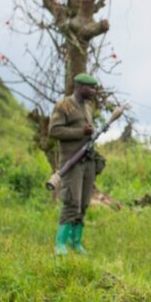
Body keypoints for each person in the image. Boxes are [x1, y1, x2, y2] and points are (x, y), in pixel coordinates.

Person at [48, 73, 102, 255]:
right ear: (80, 87)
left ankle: (75, 242)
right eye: (91, 88)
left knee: (84, 203)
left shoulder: (87, 107)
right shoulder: (63, 105)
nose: (94, 91)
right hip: (71, 162)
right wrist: (81, 131)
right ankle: (60, 244)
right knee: (72, 201)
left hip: (87, 161)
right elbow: (54, 130)